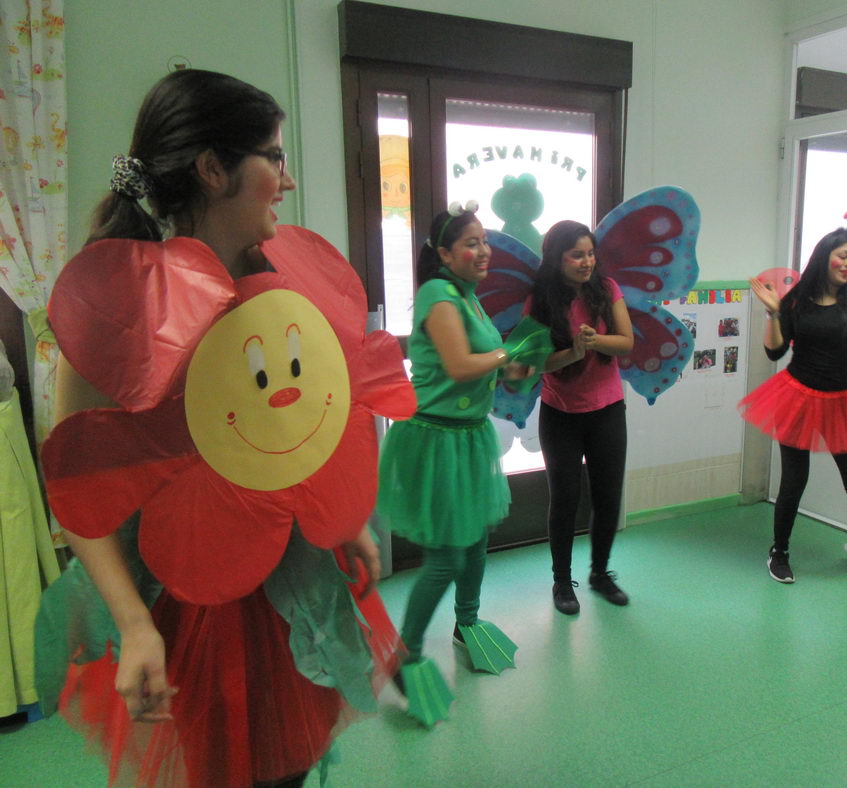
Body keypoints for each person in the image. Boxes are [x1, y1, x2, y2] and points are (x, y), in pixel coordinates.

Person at [35, 70, 412, 788]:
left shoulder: (284, 285)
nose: (288, 179)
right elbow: (77, 484)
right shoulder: (120, 305)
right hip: (197, 603)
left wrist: (337, 523)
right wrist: (136, 625)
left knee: (288, 768)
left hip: (292, 587)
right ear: (214, 169)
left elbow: (301, 423)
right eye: (273, 156)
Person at [376, 203, 533, 727]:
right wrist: (504, 357)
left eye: (484, 240)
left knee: (477, 542)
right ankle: (407, 654)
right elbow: (462, 364)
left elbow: (489, 369)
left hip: (468, 438)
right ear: (444, 254)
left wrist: (517, 369)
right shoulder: (436, 294)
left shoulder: (469, 297)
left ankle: (468, 626)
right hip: (435, 439)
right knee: (446, 557)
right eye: (470, 242)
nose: (482, 250)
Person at [740, 227, 847, 584]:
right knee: (794, 479)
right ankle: (779, 550)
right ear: (825, 255)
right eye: (843, 255)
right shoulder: (798, 299)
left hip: (843, 399)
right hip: (799, 395)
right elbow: (775, 352)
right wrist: (774, 314)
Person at [528, 220, 634, 615]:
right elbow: (536, 359)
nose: (586, 261)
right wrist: (572, 353)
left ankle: (600, 573)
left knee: (608, 496)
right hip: (560, 414)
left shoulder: (606, 290)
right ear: (557, 258)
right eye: (577, 254)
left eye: (590, 253)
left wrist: (593, 341)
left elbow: (626, 341)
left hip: (607, 410)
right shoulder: (539, 300)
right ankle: (562, 581)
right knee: (565, 499)